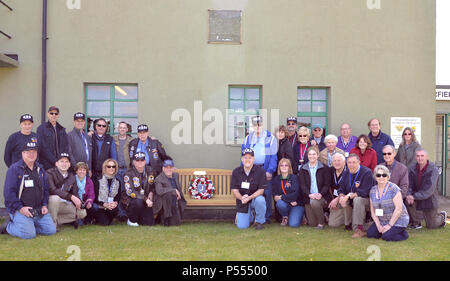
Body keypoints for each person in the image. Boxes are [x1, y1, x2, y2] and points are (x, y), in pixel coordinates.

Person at [0, 142, 56, 239]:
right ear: (23, 153)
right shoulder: (14, 169)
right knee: (29, 235)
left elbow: (46, 190)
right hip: (20, 209)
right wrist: (20, 208)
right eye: (28, 152)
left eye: (33, 151)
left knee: (51, 231)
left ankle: (29, 226)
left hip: (38, 210)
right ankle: (8, 226)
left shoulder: (40, 169)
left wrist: (44, 205)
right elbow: (9, 193)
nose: (31, 154)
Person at [241, 116, 277, 224]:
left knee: (266, 192)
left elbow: (274, 156)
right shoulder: (248, 138)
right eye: (255, 124)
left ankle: (266, 218)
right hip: (251, 169)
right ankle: (252, 216)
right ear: (252, 126)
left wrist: (270, 171)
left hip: (264, 169)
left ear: (263, 125)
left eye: (259, 124)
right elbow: (243, 155)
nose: (257, 127)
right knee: (250, 191)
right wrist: (243, 170)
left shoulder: (271, 137)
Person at [335, 154, 375, 238]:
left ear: (359, 163)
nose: (351, 165)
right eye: (349, 163)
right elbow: (341, 189)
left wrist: (349, 196)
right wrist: (342, 196)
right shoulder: (346, 173)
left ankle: (359, 229)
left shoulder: (366, 172)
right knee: (333, 223)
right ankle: (348, 223)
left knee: (357, 199)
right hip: (352, 200)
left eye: (354, 162)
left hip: (367, 201)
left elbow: (365, 191)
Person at [406, 149, 447, 229]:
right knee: (407, 200)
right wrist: (409, 194)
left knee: (432, 225)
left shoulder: (433, 170)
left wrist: (414, 196)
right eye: (418, 156)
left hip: (429, 199)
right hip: (416, 197)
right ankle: (416, 223)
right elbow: (409, 184)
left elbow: (429, 190)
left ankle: (442, 217)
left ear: (427, 157)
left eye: (422, 156)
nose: (420, 158)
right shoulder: (411, 168)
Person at [367, 165, 410, 241]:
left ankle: (403, 233)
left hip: (398, 220)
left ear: (388, 176)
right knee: (371, 234)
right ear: (375, 177)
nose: (381, 177)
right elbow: (373, 212)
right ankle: (390, 231)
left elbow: (399, 209)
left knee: (386, 237)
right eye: (378, 175)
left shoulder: (394, 189)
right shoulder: (372, 190)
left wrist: (389, 225)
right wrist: (378, 225)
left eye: (384, 175)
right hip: (382, 220)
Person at [47, 153, 86, 230]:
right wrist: (71, 197)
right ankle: (52, 227)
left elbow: (75, 193)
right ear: (56, 163)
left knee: (82, 213)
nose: (64, 164)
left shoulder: (72, 176)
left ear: (69, 164)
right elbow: (52, 190)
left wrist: (79, 202)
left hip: (64, 204)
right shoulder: (49, 173)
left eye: (66, 162)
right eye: (61, 161)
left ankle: (52, 221)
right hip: (51, 203)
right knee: (55, 198)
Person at [231, 148, 267, 230]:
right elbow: (235, 190)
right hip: (243, 201)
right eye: (245, 157)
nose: (247, 160)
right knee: (242, 226)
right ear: (242, 159)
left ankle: (259, 222)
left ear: (254, 159)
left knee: (260, 200)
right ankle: (250, 216)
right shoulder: (236, 172)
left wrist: (249, 198)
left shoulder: (260, 171)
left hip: (255, 200)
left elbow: (261, 190)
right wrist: (241, 198)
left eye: (250, 158)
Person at [121, 152, 157, 227]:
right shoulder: (128, 173)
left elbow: (154, 185)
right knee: (138, 201)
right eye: (137, 161)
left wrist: (151, 192)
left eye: (142, 160)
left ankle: (140, 218)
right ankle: (131, 220)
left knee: (149, 223)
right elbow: (131, 192)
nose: (140, 163)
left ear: (145, 161)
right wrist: (145, 199)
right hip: (132, 201)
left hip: (146, 201)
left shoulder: (150, 170)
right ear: (134, 162)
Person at [298, 146, 331, 229]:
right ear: (307, 155)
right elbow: (303, 185)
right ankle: (323, 215)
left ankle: (321, 223)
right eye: (309, 154)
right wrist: (309, 195)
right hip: (309, 197)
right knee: (312, 223)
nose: (311, 156)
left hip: (322, 196)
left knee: (315, 203)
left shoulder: (324, 168)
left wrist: (321, 194)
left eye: (314, 154)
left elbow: (327, 185)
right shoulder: (303, 168)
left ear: (318, 155)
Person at [153, 159, 187, 226]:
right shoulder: (159, 179)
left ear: (173, 168)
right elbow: (159, 191)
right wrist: (173, 190)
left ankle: (172, 217)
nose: (168, 170)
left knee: (176, 223)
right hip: (163, 202)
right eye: (166, 168)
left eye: (170, 168)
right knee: (168, 194)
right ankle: (166, 218)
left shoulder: (176, 175)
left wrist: (177, 193)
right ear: (163, 168)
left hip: (175, 200)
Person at [273, 158, 304, 227]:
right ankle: (285, 216)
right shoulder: (276, 179)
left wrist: (281, 197)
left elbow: (295, 195)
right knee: (279, 203)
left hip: (296, 204)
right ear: (279, 167)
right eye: (282, 165)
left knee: (293, 224)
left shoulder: (294, 178)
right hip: (286, 204)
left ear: (289, 167)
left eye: (286, 165)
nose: (284, 167)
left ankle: (300, 216)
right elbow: (275, 196)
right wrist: (287, 199)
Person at [36, 106, 69, 170]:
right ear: (48, 114)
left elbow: (66, 147)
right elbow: (43, 147)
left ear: (58, 115)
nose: (54, 115)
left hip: (60, 165)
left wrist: (62, 161)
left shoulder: (62, 130)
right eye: (51, 113)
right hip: (46, 165)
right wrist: (55, 161)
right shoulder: (41, 129)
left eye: (56, 114)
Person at [113, 121, 134, 221]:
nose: (122, 129)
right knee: (117, 191)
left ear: (127, 129)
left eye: (124, 128)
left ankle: (127, 213)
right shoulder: (113, 139)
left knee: (127, 191)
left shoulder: (132, 140)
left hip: (127, 169)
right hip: (116, 170)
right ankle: (120, 213)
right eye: (120, 127)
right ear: (118, 129)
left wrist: (152, 138)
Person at [328, 153, 352, 230]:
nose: (336, 163)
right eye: (334, 160)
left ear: (344, 162)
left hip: (345, 199)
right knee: (332, 224)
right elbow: (328, 186)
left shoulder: (349, 172)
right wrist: (332, 200)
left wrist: (337, 199)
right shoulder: (330, 171)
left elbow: (349, 190)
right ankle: (344, 216)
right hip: (334, 199)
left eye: (339, 160)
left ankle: (350, 218)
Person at [94, 159, 121, 225]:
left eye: (113, 166)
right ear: (105, 168)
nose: (111, 168)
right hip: (100, 206)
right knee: (104, 223)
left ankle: (109, 219)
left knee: (115, 210)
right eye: (109, 166)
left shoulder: (118, 181)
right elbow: (95, 197)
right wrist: (104, 204)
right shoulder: (98, 180)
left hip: (111, 206)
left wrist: (115, 203)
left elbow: (118, 196)